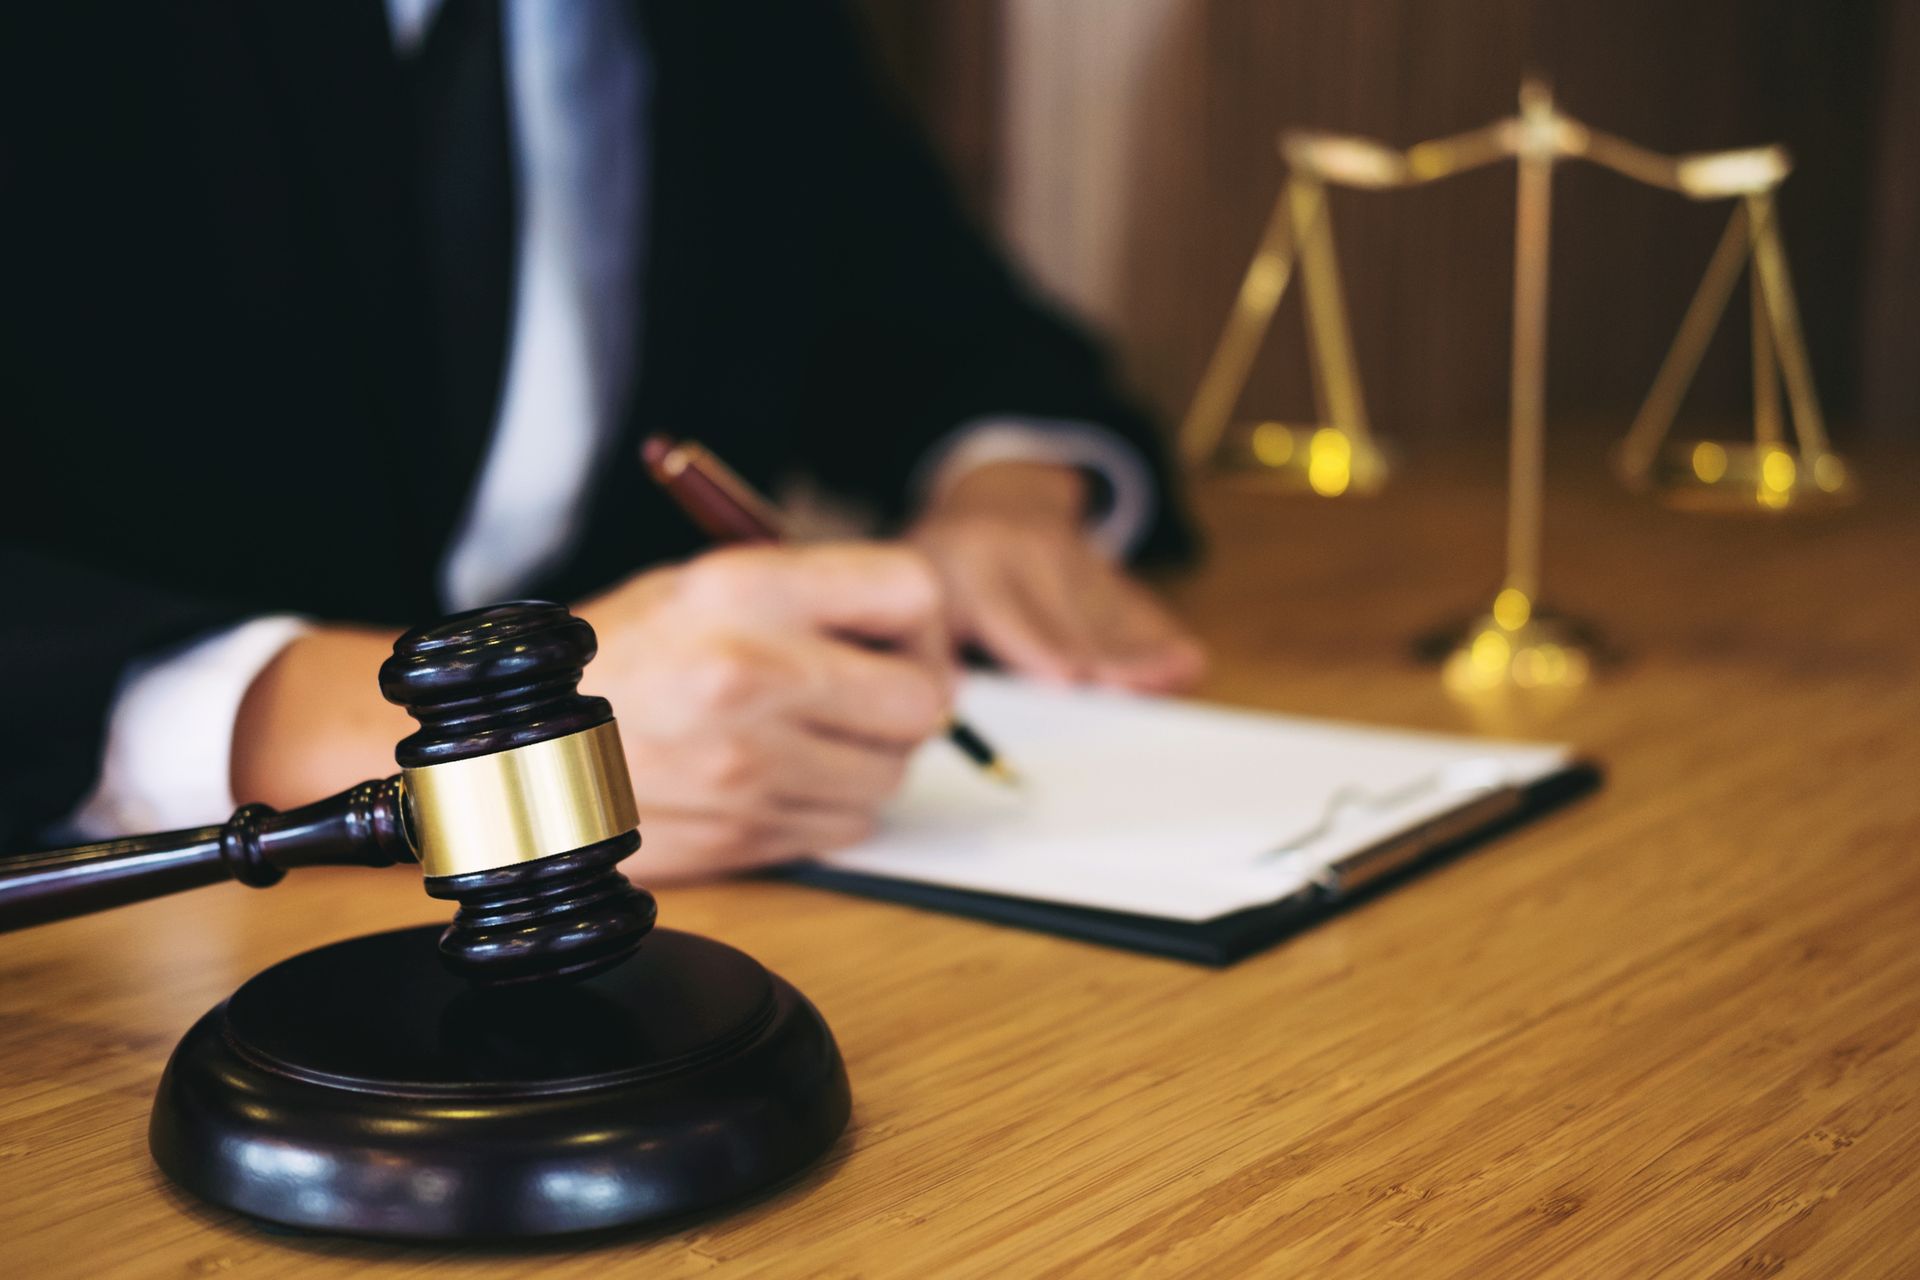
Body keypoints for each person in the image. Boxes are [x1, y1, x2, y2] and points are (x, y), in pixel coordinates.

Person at [0, 0, 1203, 876]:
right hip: (131, 951)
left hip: (669, 909)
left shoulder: (725, 29)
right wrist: (385, 740)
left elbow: (942, 323)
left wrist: (1008, 491)